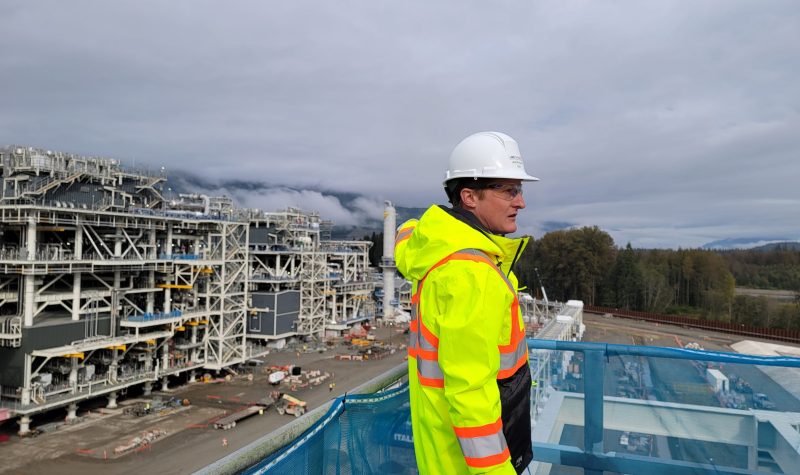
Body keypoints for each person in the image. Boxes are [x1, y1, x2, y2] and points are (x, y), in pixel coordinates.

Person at [395, 131, 537, 474]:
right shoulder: (471, 274)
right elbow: (470, 393)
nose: (521, 202)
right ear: (469, 196)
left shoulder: (437, 249)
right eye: (509, 190)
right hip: (468, 465)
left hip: (440, 449)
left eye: (520, 189)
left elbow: (407, 234)